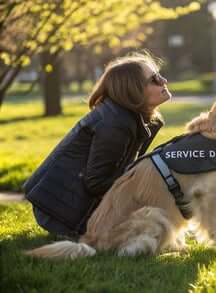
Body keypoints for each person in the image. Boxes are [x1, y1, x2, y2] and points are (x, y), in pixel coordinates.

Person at [23, 52, 172, 238]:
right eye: (154, 79)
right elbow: (96, 183)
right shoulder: (116, 124)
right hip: (62, 213)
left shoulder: (133, 118)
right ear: (133, 90)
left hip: (69, 205)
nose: (164, 80)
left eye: (159, 74)